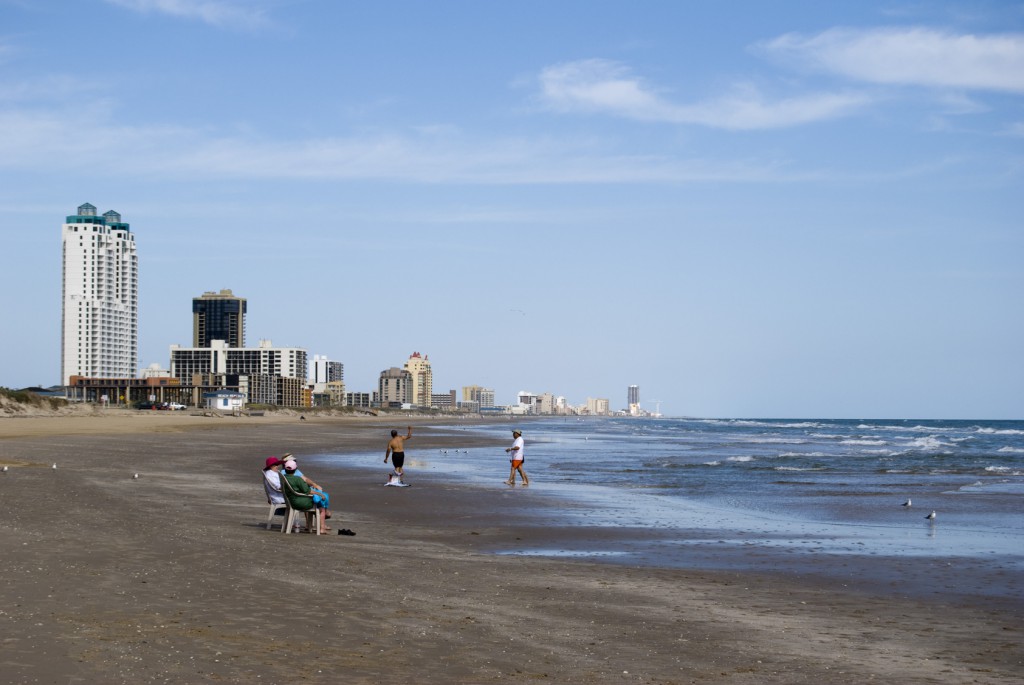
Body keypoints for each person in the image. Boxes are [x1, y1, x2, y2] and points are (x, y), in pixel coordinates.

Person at [281, 459, 330, 533]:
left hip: (290, 501)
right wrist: (320, 494)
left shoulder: (283, 478)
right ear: (295, 469)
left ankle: (309, 525)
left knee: (315, 500)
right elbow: (308, 491)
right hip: (299, 503)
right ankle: (322, 528)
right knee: (321, 505)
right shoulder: (297, 479)